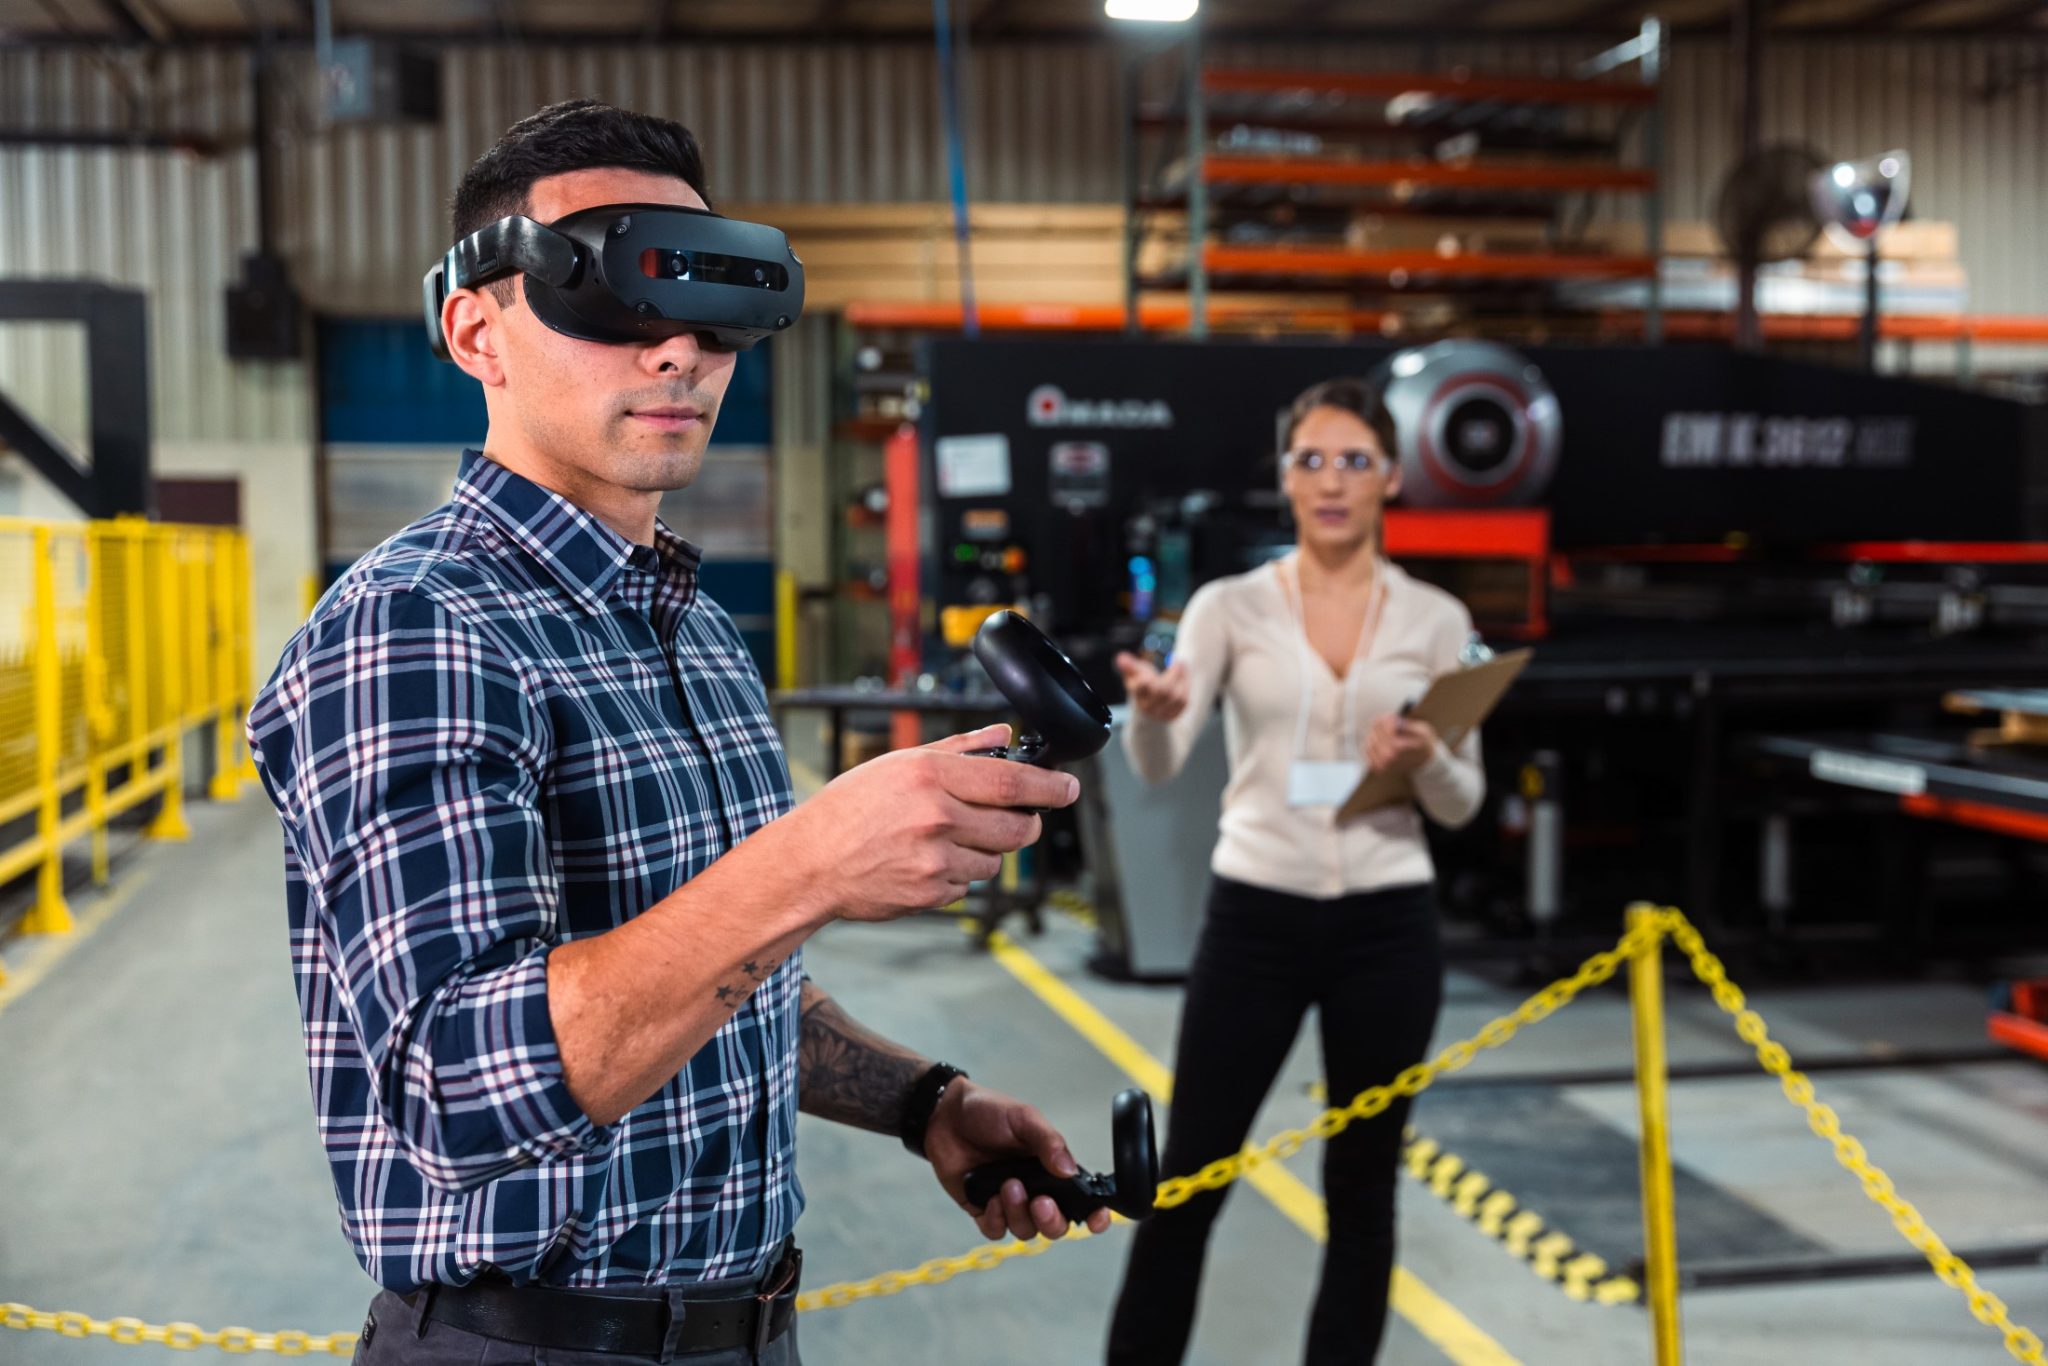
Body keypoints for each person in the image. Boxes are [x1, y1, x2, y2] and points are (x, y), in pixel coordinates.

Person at [246, 100, 1108, 1366]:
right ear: (475, 331)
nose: (677, 353)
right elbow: (453, 1084)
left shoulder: (691, 624)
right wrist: (812, 859)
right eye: (610, 300)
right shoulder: (416, 625)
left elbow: (713, 974)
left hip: (742, 1330)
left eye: (709, 312)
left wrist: (926, 1103)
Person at [1104, 377, 1486, 1365]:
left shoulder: (1435, 619)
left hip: (1388, 926)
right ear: (1284, 476)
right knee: (1192, 1177)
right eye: (1310, 459)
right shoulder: (1228, 608)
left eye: (1354, 461)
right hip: (1256, 921)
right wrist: (1150, 716)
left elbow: (1461, 802)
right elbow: (1160, 761)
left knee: (1363, 1190)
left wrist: (1424, 760)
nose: (1330, 481)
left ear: (1390, 477)